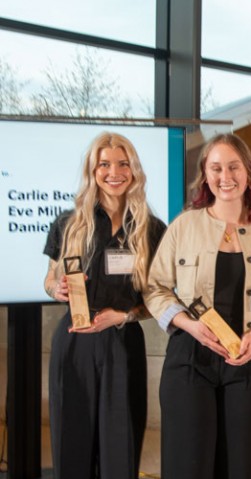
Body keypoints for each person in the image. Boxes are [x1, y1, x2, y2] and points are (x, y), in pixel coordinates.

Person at [143, 133, 251, 479]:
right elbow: (155, 288)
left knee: (241, 466)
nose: (226, 176)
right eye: (216, 168)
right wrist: (189, 324)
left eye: (234, 167)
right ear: (205, 175)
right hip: (190, 359)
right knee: (187, 464)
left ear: (248, 172)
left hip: (246, 360)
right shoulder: (184, 226)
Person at [43, 132, 166, 479]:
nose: (114, 172)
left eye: (123, 163)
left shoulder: (150, 229)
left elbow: (156, 298)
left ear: (134, 170)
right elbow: (49, 278)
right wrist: (57, 289)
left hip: (123, 343)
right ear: (92, 170)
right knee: (72, 443)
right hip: (75, 341)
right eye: (105, 164)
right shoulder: (68, 224)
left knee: (121, 445)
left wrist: (124, 315)